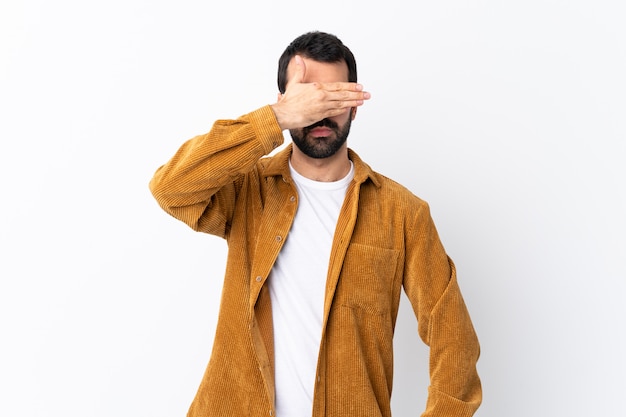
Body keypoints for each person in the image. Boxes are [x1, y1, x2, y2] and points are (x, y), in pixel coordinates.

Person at [149, 31, 481, 417]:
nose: (321, 112)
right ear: (285, 103)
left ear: (355, 105)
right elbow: (171, 188)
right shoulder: (247, 190)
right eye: (309, 98)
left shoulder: (402, 212)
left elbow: (453, 336)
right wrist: (276, 119)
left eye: (335, 96)